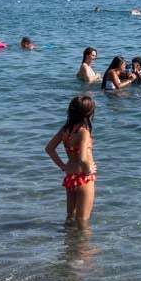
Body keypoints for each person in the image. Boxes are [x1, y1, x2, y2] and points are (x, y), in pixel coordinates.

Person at [46, 95, 96, 225]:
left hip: (70, 178)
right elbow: (82, 158)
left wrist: (63, 166)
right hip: (83, 178)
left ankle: (68, 238)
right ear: (88, 113)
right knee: (83, 222)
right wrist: (88, 171)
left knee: (70, 218)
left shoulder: (66, 129)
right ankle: (83, 240)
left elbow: (49, 148)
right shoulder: (83, 132)